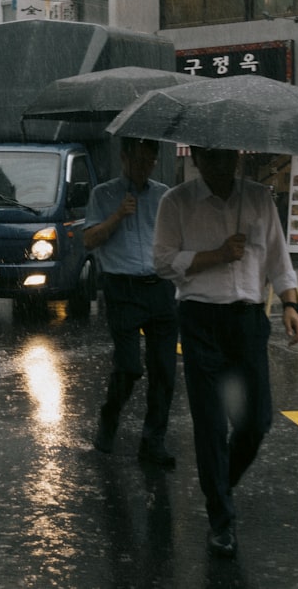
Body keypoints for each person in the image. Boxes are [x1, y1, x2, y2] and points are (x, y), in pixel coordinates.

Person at [154, 145, 298, 559]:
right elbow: (162, 262)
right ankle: (221, 519)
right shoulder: (177, 202)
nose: (219, 165)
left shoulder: (258, 198)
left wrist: (291, 305)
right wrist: (215, 256)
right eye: (210, 158)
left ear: (237, 158)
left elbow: (277, 258)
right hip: (200, 319)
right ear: (198, 159)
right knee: (210, 423)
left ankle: (221, 485)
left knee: (256, 421)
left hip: (248, 321)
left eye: (226, 158)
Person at [85, 138, 179, 468]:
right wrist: (117, 216)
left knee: (164, 370)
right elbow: (88, 239)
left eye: (150, 161)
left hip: (159, 288)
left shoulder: (163, 195)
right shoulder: (104, 194)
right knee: (129, 367)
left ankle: (153, 441)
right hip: (122, 289)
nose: (144, 167)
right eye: (138, 160)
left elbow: (174, 239)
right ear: (124, 158)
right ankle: (109, 417)